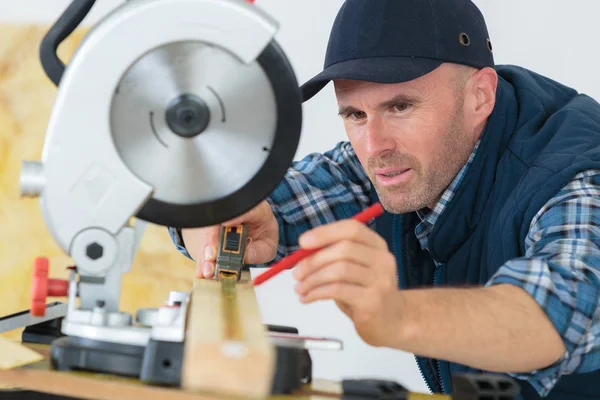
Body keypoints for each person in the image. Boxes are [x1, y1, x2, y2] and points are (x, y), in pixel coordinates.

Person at [169, 1, 600, 398]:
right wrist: (214, 218)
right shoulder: (402, 161)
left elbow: (563, 311)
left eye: (400, 107)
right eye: (355, 114)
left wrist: (397, 316)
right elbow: (240, 206)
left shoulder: (577, 175)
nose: (374, 146)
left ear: (479, 96)